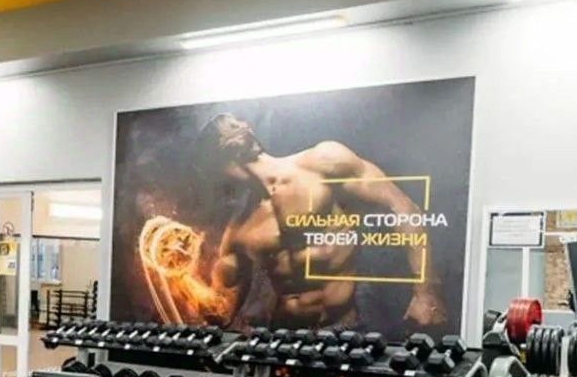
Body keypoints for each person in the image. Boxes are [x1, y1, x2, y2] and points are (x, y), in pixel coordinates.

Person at [138, 113, 448, 331]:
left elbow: (403, 207)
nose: (240, 126)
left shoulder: (322, 162)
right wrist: (180, 271)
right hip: (285, 335)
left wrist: (426, 293)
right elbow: (220, 309)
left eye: (234, 124)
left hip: (346, 328)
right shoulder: (239, 230)